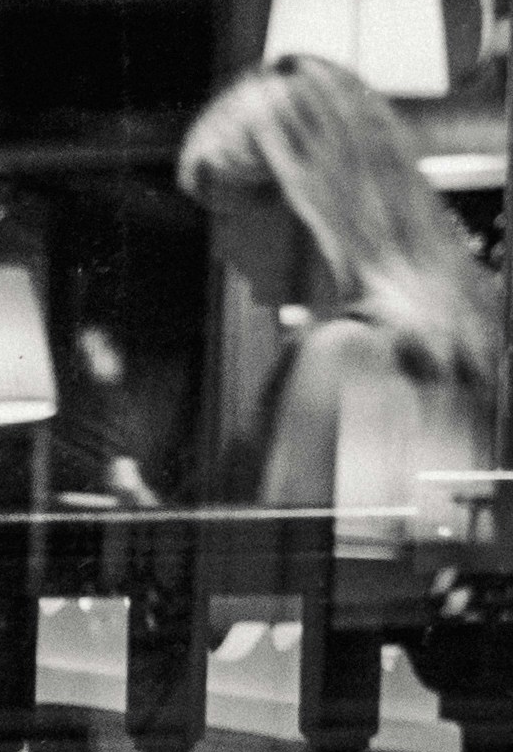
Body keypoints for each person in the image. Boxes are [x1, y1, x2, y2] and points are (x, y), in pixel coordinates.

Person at [178, 56, 496, 535]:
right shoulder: (435, 341)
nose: (222, 249)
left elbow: (297, 576)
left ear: (302, 203)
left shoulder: (342, 350)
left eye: (227, 216)